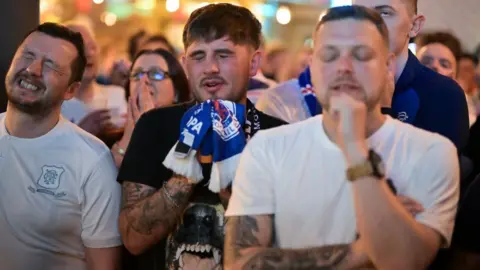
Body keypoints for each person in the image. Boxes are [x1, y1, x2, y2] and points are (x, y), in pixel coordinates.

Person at [225, 6, 459, 269]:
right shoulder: (268, 147)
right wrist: (362, 249)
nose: (344, 67)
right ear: (312, 67)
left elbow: (404, 261)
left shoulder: (432, 152)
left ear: (388, 66)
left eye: (361, 55)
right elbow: (240, 263)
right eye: (330, 56)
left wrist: (354, 147)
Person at [117, 4, 285, 270]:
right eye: (198, 56)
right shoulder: (155, 125)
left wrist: (237, 188)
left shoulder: (279, 136)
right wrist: (184, 169)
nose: (210, 68)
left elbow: (290, 245)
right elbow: (133, 239)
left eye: (224, 54)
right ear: (185, 65)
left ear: (254, 62)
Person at [257, 0, 469, 151]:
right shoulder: (325, 85)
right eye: (360, 14)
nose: (369, 26)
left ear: (414, 25)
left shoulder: (443, 95)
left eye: (384, 13)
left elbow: (426, 189)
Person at [0, 22, 122, 270]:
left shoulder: (92, 160)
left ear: (71, 90)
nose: (33, 70)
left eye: (50, 65)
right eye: (27, 56)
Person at [111, 48, 191, 168]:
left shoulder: (189, 136)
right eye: (137, 74)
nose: (144, 81)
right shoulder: (108, 137)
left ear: (177, 92)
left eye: (156, 74)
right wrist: (128, 138)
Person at [61, 23, 128, 138]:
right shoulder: (56, 107)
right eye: (81, 48)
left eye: (93, 47)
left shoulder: (117, 95)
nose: (90, 53)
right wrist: (83, 131)